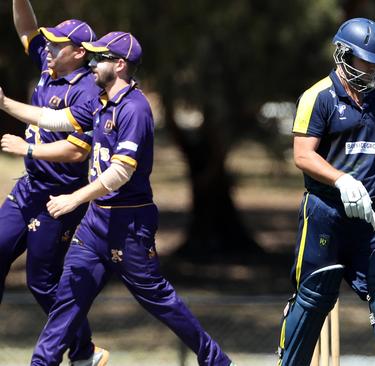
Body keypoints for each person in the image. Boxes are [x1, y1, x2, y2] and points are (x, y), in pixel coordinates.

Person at [0, 31, 234, 366]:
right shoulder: (99, 101)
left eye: (99, 58)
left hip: (129, 223)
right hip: (95, 222)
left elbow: (119, 173)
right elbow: (56, 119)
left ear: (120, 65)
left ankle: (215, 360)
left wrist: (75, 198)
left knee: (158, 299)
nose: (92, 64)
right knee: (68, 297)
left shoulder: (135, 110)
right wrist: (6, 103)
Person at [276, 17, 375, 366]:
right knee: (314, 297)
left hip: (366, 218)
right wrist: (341, 180)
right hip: (324, 213)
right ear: (343, 54)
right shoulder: (318, 97)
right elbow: (302, 155)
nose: (371, 68)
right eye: (365, 60)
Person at [0, 1, 107, 364]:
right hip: (28, 188)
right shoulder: (49, 66)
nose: (48, 48)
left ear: (78, 53)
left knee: (41, 282)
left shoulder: (88, 91)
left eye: (57, 44)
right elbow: (26, 29)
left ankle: (85, 351)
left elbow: (77, 152)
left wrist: (27, 149)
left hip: (59, 198)